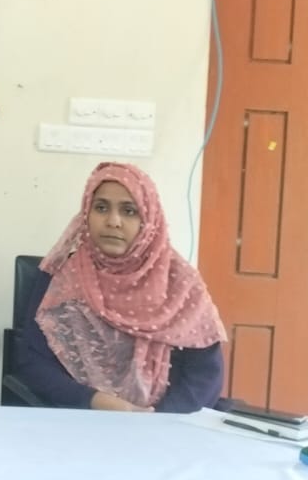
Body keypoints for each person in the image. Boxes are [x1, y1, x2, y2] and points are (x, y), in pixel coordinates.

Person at [14, 161, 226, 413]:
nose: (113, 221)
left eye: (129, 211)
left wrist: (157, 418)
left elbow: (205, 376)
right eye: (101, 208)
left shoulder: (181, 284)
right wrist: (96, 401)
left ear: (149, 219)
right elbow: (32, 362)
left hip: (166, 423)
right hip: (79, 417)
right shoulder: (60, 277)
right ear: (86, 214)